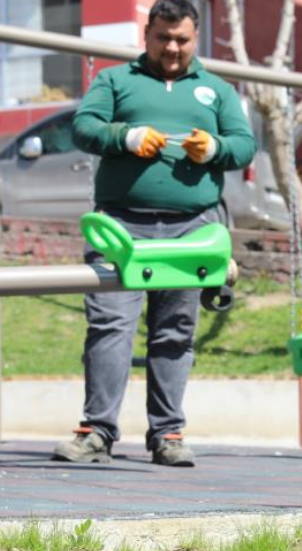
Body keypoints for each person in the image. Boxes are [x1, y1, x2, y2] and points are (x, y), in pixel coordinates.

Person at [53, 0, 255, 467]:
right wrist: (124, 137)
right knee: (109, 325)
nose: (172, 47)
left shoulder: (217, 90)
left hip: (192, 229)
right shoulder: (115, 80)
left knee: (175, 332)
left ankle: (168, 434)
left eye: (182, 39)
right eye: (163, 37)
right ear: (147, 35)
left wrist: (215, 148)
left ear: (195, 38)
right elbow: (83, 127)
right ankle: (96, 431)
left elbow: (245, 146)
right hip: (121, 224)